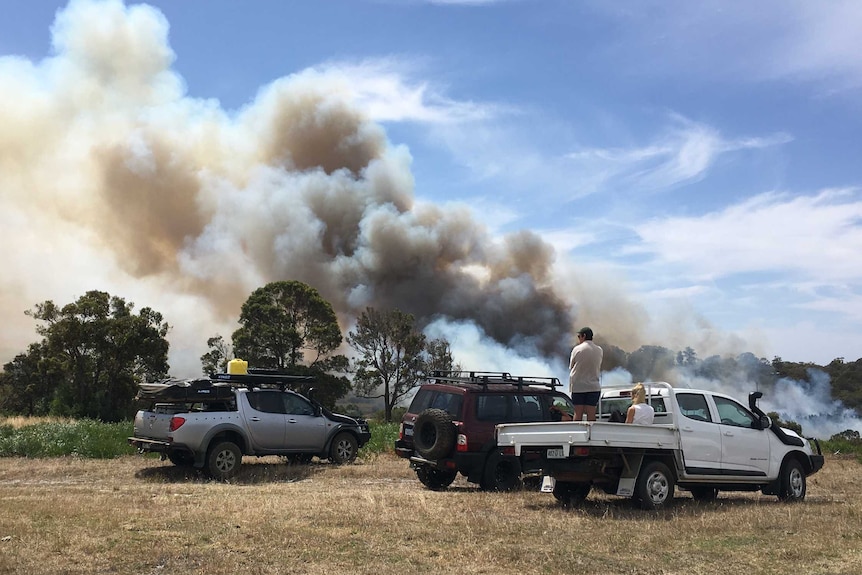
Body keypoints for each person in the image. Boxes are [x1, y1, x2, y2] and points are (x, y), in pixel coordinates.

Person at [569, 327, 603, 422]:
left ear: (584, 336)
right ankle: (592, 435)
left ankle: (576, 434)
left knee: (578, 413)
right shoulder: (599, 350)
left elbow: (571, 366)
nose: (579, 338)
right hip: (593, 386)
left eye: (579, 336)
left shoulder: (577, 349)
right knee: (591, 413)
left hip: (578, 386)